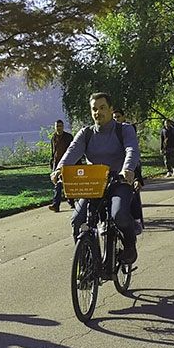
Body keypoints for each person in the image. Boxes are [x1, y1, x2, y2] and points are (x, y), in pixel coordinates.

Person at [51, 92, 141, 264]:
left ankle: (130, 245)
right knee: (78, 220)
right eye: (94, 109)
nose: (98, 112)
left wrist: (127, 170)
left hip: (119, 181)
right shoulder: (86, 133)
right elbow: (72, 152)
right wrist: (58, 170)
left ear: (111, 109)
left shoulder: (124, 130)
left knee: (119, 215)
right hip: (94, 183)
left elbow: (132, 150)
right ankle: (86, 264)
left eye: (102, 108)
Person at [48, 120, 75, 212]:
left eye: (60, 126)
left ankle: (71, 201)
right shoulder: (53, 138)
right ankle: (56, 205)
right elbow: (53, 152)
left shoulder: (68, 137)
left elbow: (73, 151)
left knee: (68, 184)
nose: (58, 128)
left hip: (67, 164)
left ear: (63, 127)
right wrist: (52, 163)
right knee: (58, 184)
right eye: (57, 126)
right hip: (57, 164)